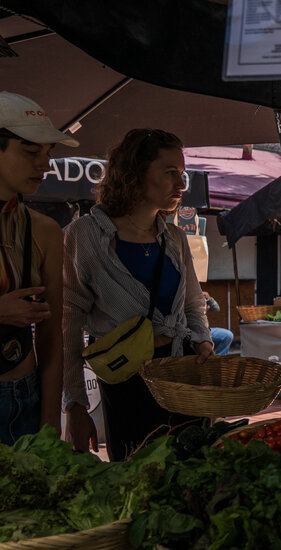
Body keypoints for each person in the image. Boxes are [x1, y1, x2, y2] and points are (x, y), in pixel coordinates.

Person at [63, 128, 213, 460]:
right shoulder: (85, 237)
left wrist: (202, 338)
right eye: (170, 172)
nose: (181, 184)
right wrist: (75, 405)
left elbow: (193, 301)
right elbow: (68, 324)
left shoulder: (173, 238)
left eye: (182, 173)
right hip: (126, 383)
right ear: (135, 172)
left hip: (181, 374)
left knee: (190, 470)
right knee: (136, 477)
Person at [0, 92, 73, 445]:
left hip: (24, 397)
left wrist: (49, 427)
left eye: (48, 154)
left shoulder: (44, 230)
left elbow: (51, 336)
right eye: (31, 152)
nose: (44, 165)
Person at [202, 291, 234, 355]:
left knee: (228, 335)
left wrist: (209, 299)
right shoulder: (186, 296)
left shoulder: (200, 294)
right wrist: (203, 311)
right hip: (194, 331)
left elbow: (216, 309)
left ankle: (218, 359)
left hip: (206, 329)